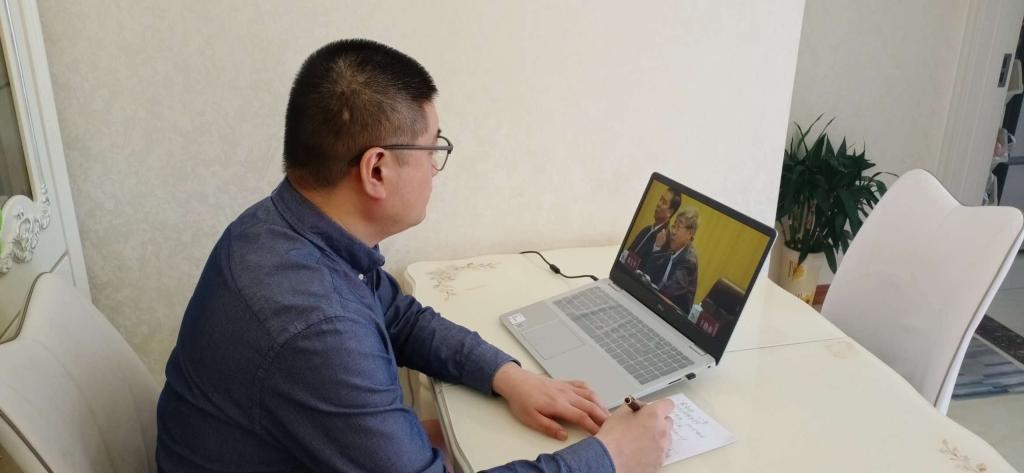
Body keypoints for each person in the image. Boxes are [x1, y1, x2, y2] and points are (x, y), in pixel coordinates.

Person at [155, 39, 674, 473]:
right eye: (433, 149)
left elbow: (398, 317)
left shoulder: (281, 226)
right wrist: (612, 456)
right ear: (377, 169)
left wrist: (508, 376)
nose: (435, 169)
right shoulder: (318, 324)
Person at [641, 207, 700, 314]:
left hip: (671, 316)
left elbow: (669, 291)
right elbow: (649, 273)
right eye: (673, 226)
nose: (673, 232)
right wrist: (657, 247)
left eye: (678, 227)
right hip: (658, 307)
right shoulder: (672, 251)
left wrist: (648, 288)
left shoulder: (689, 260)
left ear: (690, 233)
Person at [622, 189, 682, 270]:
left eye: (664, 202)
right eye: (660, 199)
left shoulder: (665, 241)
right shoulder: (646, 229)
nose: (658, 204)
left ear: (670, 212)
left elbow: (649, 271)